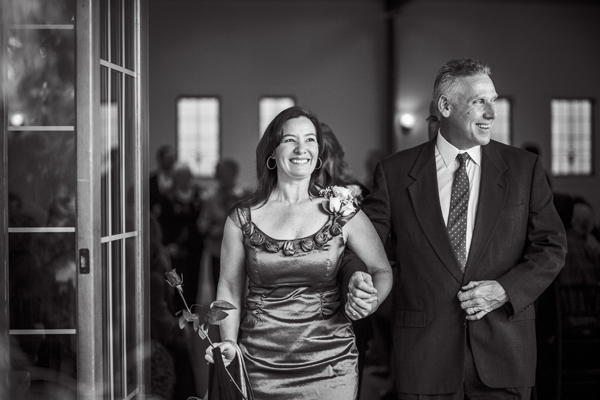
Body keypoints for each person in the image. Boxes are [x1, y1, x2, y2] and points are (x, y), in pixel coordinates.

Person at [355, 58, 567, 399]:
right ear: (445, 106)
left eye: (493, 101)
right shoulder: (394, 173)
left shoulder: (524, 169)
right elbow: (364, 247)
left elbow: (552, 246)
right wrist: (359, 281)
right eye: (479, 101)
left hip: (506, 355)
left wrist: (506, 290)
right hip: (424, 360)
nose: (491, 113)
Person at [205, 106, 392, 399]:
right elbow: (228, 287)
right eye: (289, 139)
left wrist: (371, 301)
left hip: (332, 363)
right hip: (259, 361)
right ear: (272, 152)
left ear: (318, 154)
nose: (301, 148)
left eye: (310, 140)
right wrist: (228, 341)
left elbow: (381, 269)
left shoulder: (342, 211)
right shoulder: (241, 218)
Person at [198, 158, 250, 291]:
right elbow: (203, 222)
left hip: (239, 251)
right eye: (218, 173)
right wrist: (208, 228)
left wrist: (223, 229)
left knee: (237, 290)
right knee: (218, 288)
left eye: (223, 173)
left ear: (233, 173)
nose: (219, 177)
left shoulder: (245, 195)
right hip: (218, 251)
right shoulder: (211, 196)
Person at [159, 162, 204, 312]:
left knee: (193, 283)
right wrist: (168, 244)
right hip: (174, 249)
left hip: (194, 248)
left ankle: (191, 315)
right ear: (175, 178)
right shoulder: (168, 197)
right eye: (180, 176)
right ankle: (177, 315)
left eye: (187, 175)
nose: (184, 179)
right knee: (176, 284)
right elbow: (163, 223)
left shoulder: (198, 195)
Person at [150, 144, 177, 217]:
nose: (170, 161)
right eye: (167, 158)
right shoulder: (151, 180)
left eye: (171, 159)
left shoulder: (178, 179)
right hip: (156, 219)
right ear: (160, 160)